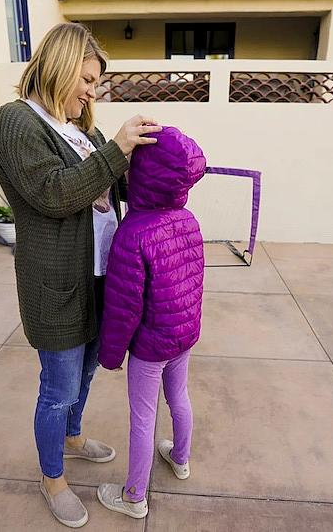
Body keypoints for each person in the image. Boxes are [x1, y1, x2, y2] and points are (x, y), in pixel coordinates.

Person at [0, 23, 162, 528]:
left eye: (95, 82)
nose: (91, 91)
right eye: (85, 79)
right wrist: (116, 152)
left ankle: (72, 436)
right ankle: (53, 478)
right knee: (58, 387)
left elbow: (113, 185)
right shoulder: (17, 122)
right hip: (57, 283)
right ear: (58, 67)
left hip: (101, 277)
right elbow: (55, 193)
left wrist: (146, 161)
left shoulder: (81, 130)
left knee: (86, 371)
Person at [95, 126, 206, 519]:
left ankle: (134, 496)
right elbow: (194, 281)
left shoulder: (133, 233)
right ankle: (181, 458)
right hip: (184, 335)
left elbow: (124, 307)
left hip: (151, 345)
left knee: (142, 418)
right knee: (179, 397)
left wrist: (110, 355)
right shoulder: (188, 220)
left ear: (141, 175)